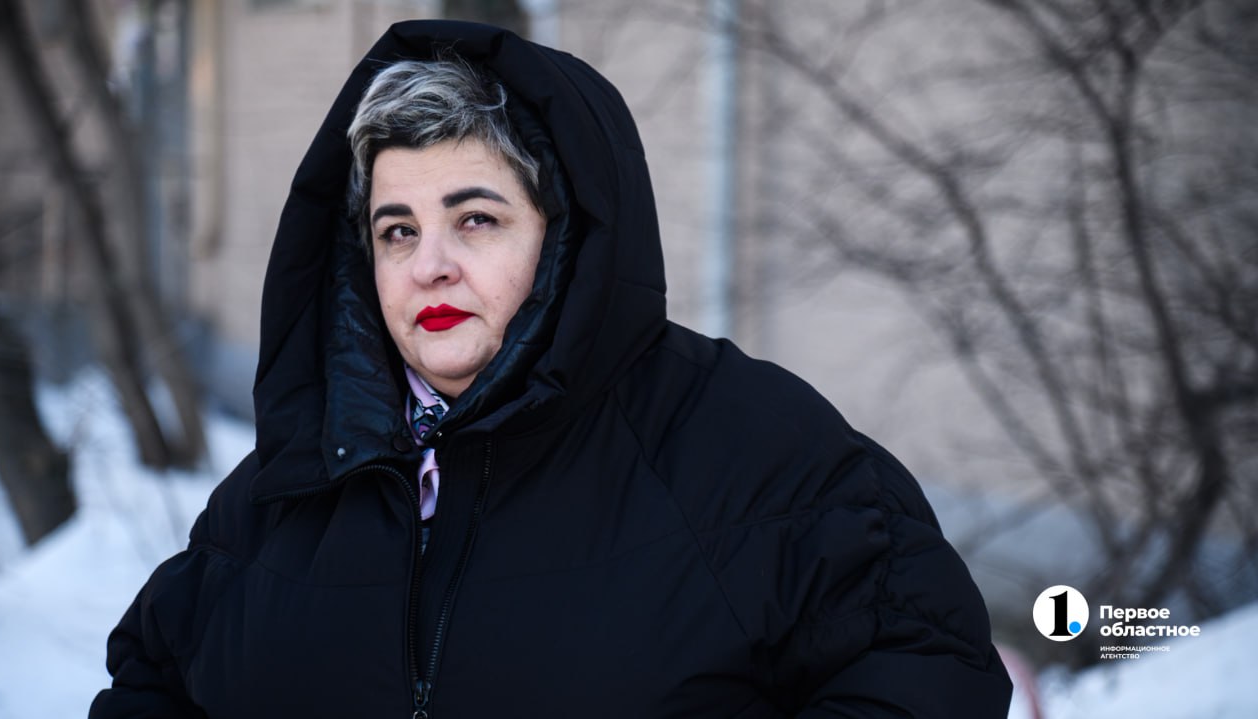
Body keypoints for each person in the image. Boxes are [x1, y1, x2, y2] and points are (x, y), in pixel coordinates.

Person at [90, 19, 1012, 718]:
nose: (429, 265)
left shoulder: (748, 450)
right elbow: (153, 679)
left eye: (476, 219)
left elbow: (930, 658)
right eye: (397, 230)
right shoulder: (285, 491)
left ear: (566, 238)